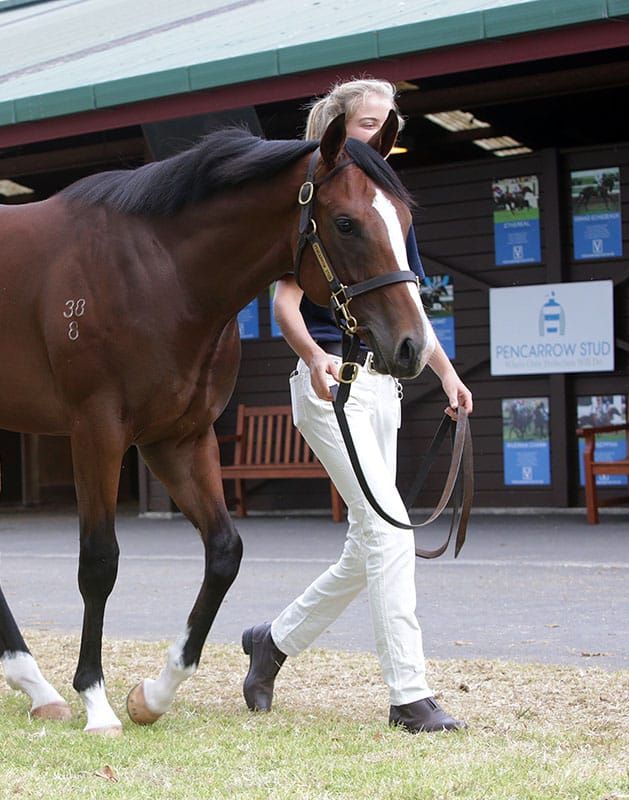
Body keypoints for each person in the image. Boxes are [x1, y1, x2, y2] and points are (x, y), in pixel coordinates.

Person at [241, 79, 473, 733]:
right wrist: (314, 356)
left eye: (388, 124)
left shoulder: (387, 208)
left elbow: (409, 303)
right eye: (369, 123)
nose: (382, 134)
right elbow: (286, 302)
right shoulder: (312, 200)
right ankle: (410, 694)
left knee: (366, 546)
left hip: (385, 390)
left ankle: (272, 644)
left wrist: (448, 375)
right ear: (340, 129)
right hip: (331, 388)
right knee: (392, 530)